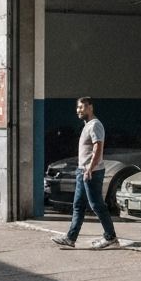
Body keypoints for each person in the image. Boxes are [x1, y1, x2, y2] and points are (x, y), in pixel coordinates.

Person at [52, 97, 119, 250]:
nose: (78, 110)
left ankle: (111, 237)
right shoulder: (87, 125)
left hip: (92, 172)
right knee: (78, 205)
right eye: (77, 108)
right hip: (83, 171)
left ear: (90, 107)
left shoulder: (95, 125)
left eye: (81, 107)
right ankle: (70, 238)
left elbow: (98, 148)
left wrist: (90, 168)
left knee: (96, 205)